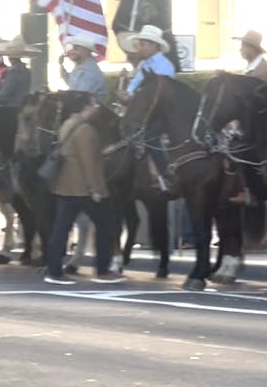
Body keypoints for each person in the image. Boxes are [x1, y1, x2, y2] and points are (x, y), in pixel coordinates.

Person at [44, 100, 123, 285]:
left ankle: (54, 270)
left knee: (61, 229)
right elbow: (87, 161)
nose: (96, 108)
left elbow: (75, 152)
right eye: (93, 106)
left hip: (65, 185)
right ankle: (103, 269)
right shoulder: (86, 130)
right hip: (84, 188)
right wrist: (94, 188)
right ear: (85, 108)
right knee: (105, 226)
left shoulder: (67, 125)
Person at [119, 25, 177, 192]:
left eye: (143, 44)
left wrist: (133, 96)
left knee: (151, 136)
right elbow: (136, 84)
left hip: (162, 112)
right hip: (145, 110)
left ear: (154, 45)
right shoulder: (145, 64)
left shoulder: (164, 66)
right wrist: (127, 94)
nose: (140, 47)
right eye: (141, 43)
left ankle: (166, 174)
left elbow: (158, 96)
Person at [0, 36, 38, 110]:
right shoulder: (23, 71)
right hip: (15, 108)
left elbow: (3, 96)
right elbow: (0, 90)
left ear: (9, 57)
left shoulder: (16, 71)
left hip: (10, 110)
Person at [60, 35, 109, 103]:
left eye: (76, 49)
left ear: (86, 51)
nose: (71, 51)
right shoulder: (81, 67)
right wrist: (61, 65)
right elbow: (71, 82)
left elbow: (78, 97)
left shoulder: (90, 72)